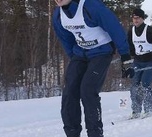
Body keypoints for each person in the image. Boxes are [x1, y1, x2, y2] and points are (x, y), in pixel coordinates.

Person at [52, 0, 132, 136]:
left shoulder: (91, 7)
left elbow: (114, 28)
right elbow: (66, 38)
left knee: (87, 90)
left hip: (101, 52)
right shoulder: (58, 15)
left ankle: (95, 133)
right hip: (80, 53)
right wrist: (74, 58)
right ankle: (72, 133)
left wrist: (125, 56)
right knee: (69, 92)